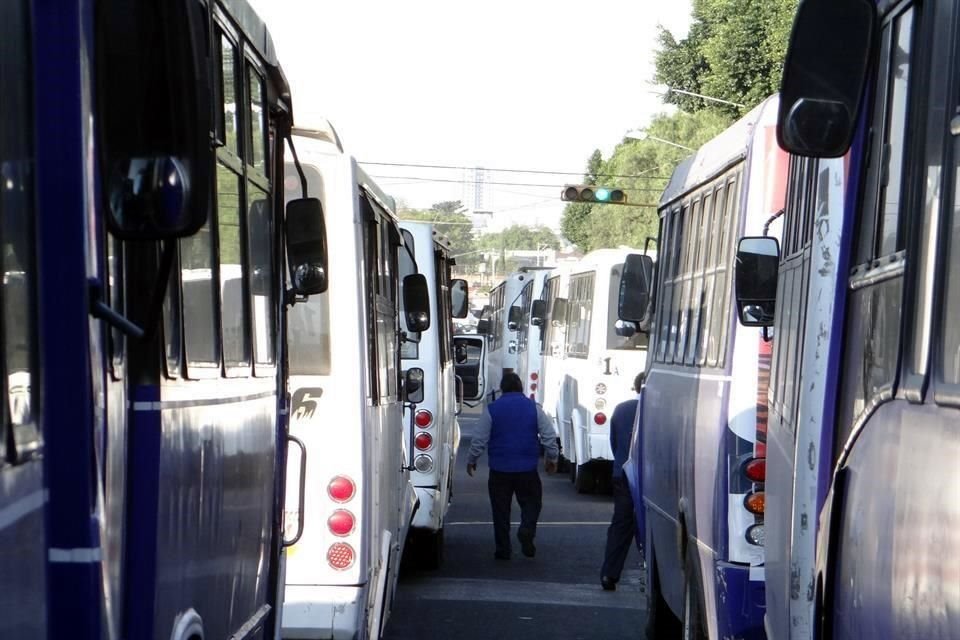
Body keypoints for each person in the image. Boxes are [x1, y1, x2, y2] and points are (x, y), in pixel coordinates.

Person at [467, 372, 559, 560]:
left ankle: (503, 549)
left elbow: (479, 438)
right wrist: (552, 458)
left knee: (500, 510)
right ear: (520, 387)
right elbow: (549, 435)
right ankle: (526, 529)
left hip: (499, 470)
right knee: (532, 503)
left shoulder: (492, 409)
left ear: (502, 388)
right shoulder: (534, 409)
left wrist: (472, 459)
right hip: (527, 469)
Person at [600, 371, 645, 591]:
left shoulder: (621, 409)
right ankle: (648, 568)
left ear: (636, 387)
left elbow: (614, 441)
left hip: (623, 472)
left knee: (621, 523)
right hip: (648, 476)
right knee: (650, 525)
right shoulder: (657, 410)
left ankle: (609, 573)